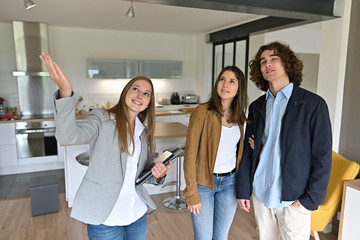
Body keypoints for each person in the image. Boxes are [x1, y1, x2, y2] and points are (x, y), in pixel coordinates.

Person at [39, 52, 172, 240]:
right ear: (126, 91)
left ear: (149, 102)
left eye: (146, 93)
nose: (139, 95)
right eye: (135, 89)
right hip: (105, 218)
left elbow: (141, 174)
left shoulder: (144, 133)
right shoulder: (101, 118)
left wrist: (158, 175)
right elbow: (67, 136)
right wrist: (65, 92)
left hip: (136, 215)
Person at [236, 42, 332, 240]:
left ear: (287, 64)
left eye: (274, 59)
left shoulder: (313, 105)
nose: (267, 64)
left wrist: (310, 200)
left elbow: (322, 156)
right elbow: (248, 151)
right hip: (261, 194)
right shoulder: (256, 106)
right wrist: (244, 190)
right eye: (262, 61)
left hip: (294, 199)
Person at [183, 66, 248, 239]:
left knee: (221, 236)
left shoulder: (240, 116)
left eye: (232, 81)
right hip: (203, 183)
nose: (225, 84)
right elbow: (189, 155)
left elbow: (238, 151)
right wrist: (191, 192)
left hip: (230, 183)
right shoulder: (202, 112)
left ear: (239, 88)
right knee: (203, 237)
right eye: (222, 79)